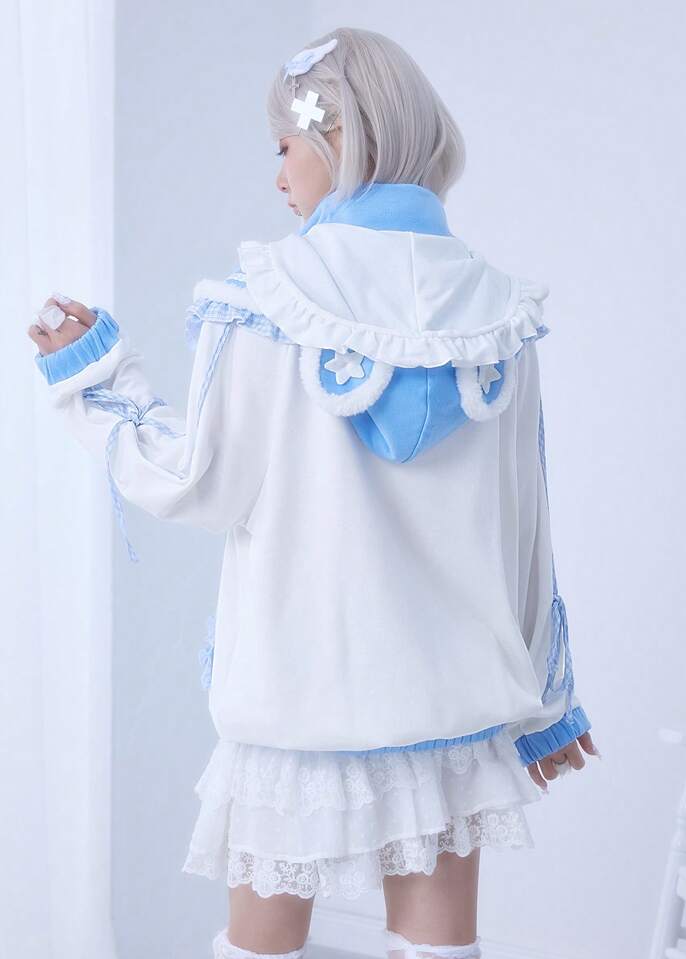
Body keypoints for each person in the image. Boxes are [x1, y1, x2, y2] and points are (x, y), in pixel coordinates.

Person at [27, 26, 599, 959]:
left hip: (297, 704)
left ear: (339, 136)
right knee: (440, 950)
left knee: (260, 950)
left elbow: (197, 481)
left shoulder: (265, 299)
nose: (278, 175)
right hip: (451, 717)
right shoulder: (499, 316)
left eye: (284, 145)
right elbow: (524, 528)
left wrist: (95, 378)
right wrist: (546, 706)